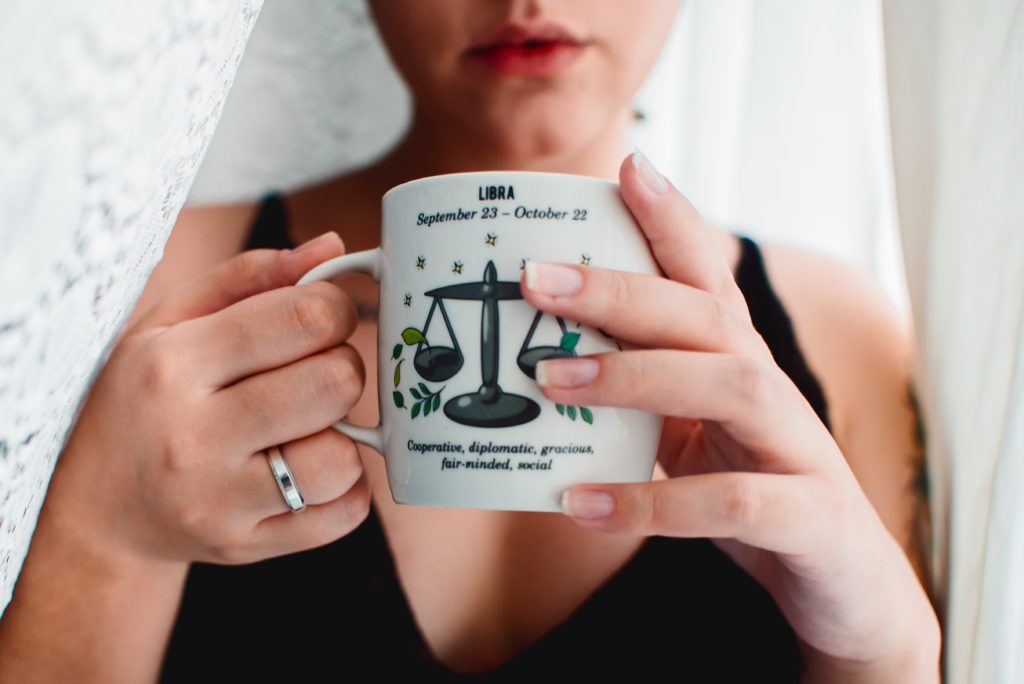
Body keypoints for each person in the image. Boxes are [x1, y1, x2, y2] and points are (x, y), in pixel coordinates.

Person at [0, 1, 940, 681]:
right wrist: (107, 539)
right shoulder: (167, 291)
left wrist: (888, 649)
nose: (527, 0)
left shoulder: (835, 340)